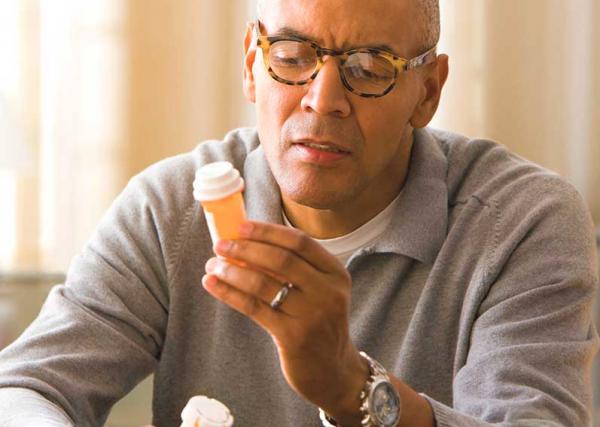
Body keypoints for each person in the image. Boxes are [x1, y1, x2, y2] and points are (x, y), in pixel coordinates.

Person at [0, 0, 598, 426]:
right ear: (251, 65)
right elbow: (26, 386)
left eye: (369, 69)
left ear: (428, 92)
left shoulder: (523, 222)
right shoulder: (172, 207)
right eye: (291, 55)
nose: (323, 99)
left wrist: (352, 389)